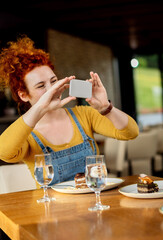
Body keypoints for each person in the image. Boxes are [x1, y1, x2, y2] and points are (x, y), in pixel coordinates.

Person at [0, 36, 139, 185]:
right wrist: (40, 107)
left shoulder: (83, 114)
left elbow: (131, 133)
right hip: (51, 207)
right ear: (24, 95)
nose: (52, 90)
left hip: (94, 202)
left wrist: (106, 107)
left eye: (54, 81)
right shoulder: (26, 134)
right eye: (41, 86)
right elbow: (5, 153)